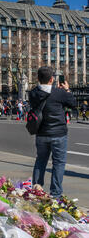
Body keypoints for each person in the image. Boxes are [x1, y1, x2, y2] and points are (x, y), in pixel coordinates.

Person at [29, 67, 77, 199]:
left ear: (38, 79)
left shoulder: (33, 93)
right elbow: (73, 103)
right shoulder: (59, 93)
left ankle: (36, 189)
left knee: (40, 161)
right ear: (52, 79)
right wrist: (67, 90)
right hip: (59, 133)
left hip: (41, 133)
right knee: (59, 163)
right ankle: (55, 194)